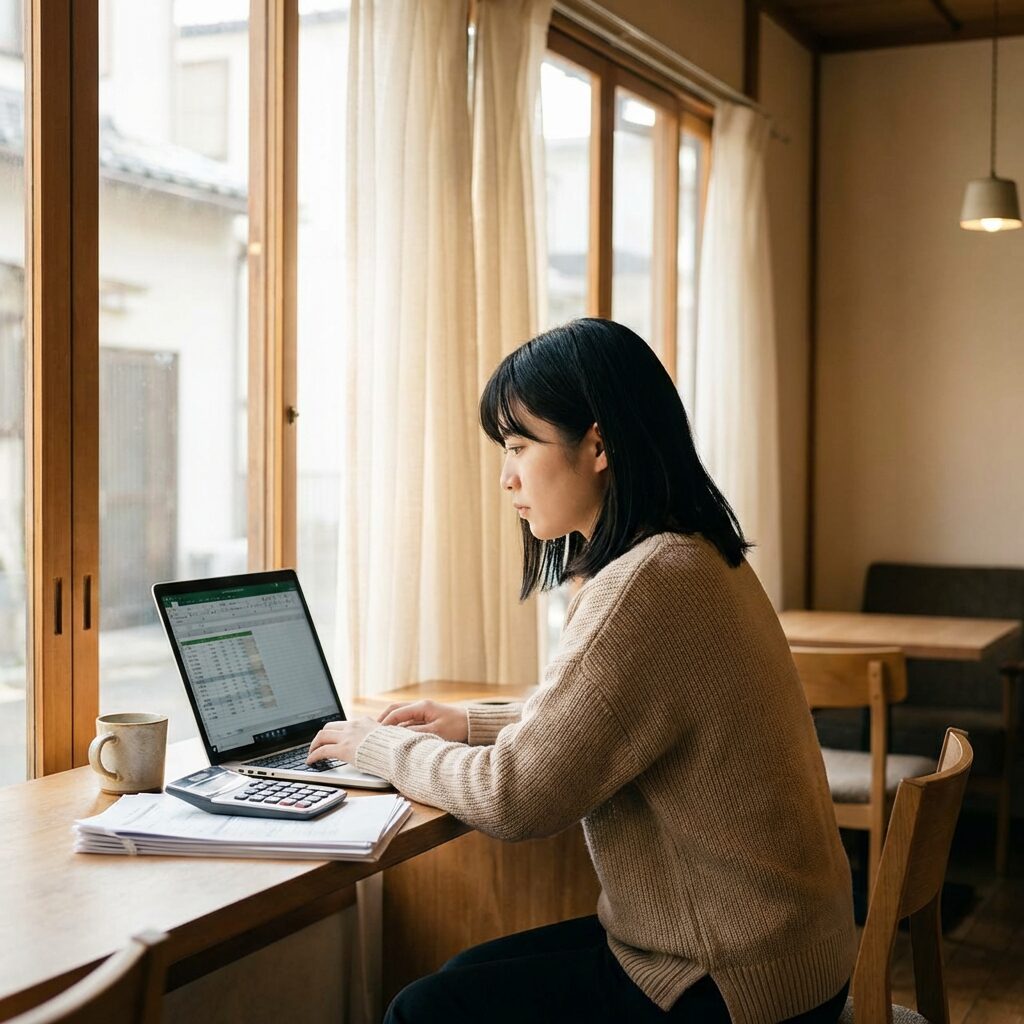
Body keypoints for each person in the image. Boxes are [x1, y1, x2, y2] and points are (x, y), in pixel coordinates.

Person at [307, 318, 855, 1023]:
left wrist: (376, 745)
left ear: (597, 444)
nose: (506, 477)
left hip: (725, 980)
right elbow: (622, 716)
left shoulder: (647, 583)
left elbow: (516, 798)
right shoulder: (694, 553)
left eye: (519, 446)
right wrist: (469, 723)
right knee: (457, 977)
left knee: (425, 1010)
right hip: (786, 955)